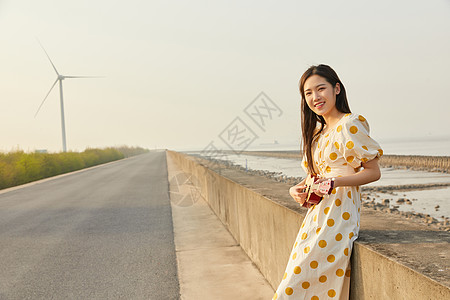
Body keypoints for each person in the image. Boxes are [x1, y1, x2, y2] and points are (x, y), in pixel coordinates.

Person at [272, 64, 383, 300]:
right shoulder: (318, 133)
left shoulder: (350, 124)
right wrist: (297, 188)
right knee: (300, 282)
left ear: (337, 89)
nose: (315, 97)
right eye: (308, 93)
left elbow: (373, 172)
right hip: (316, 215)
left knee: (293, 287)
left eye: (320, 89)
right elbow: (315, 176)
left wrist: (335, 182)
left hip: (339, 214)